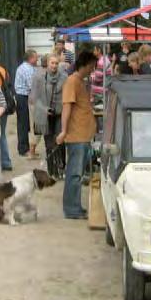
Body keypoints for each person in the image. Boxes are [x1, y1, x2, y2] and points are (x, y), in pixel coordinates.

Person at [56, 51, 97, 220]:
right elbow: (67, 107)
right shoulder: (72, 81)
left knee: (78, 173)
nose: (93, 69)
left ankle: (75, 206)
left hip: (84, 135)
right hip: (76, 136)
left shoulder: (80, 82)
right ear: (85, 65)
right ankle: (72, 209)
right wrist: (64, 131)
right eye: (92, 66)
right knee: (74, 173)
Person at [32, 54, 67, 179]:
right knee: (48, 143)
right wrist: (44, 109)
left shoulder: (64, 77)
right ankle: (52, 170)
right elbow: (34, 98)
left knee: (60, 141)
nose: (54, 66)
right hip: (44, 114)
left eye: (56, 63)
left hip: (59, 113)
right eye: (52, 63)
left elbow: (67, 95)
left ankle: (62, 168)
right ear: (47, 64)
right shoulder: (39, 77)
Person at [14, 50, 38, 157]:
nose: (37, 59)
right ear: (31, 58)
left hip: (23, 96)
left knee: (25, 123)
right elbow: (31, 84)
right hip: (23, 97)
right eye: (36, 57)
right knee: (23, 123)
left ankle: (25, 147)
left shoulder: (27, 67)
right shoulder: (27, 69)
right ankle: (23, 149)